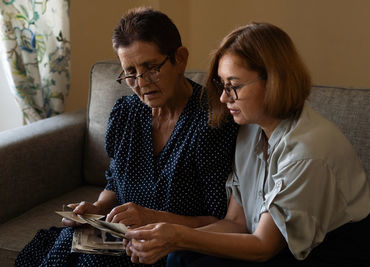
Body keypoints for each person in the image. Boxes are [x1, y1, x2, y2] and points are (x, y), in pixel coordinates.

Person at [123, 22, 370, 267]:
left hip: (338, 256)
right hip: (279, 245)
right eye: (221, 85)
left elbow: (264, 247)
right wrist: (162, 238)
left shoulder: (307, 152)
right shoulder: (250, 129)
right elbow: (236, 223)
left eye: (234, 86)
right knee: (180, 257)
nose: (223, 98)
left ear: (273, 80)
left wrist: (177, 235)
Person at [15, 7, 238, 267]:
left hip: (162, 248)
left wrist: (150, 217)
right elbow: (114, 182)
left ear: (180, 58)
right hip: (114, 238)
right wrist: (97, 209)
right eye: (130, 72)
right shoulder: (125, 113)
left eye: (151, 67)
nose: (141, 82)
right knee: (52, 250)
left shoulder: (212, 122)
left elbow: (219, 221)